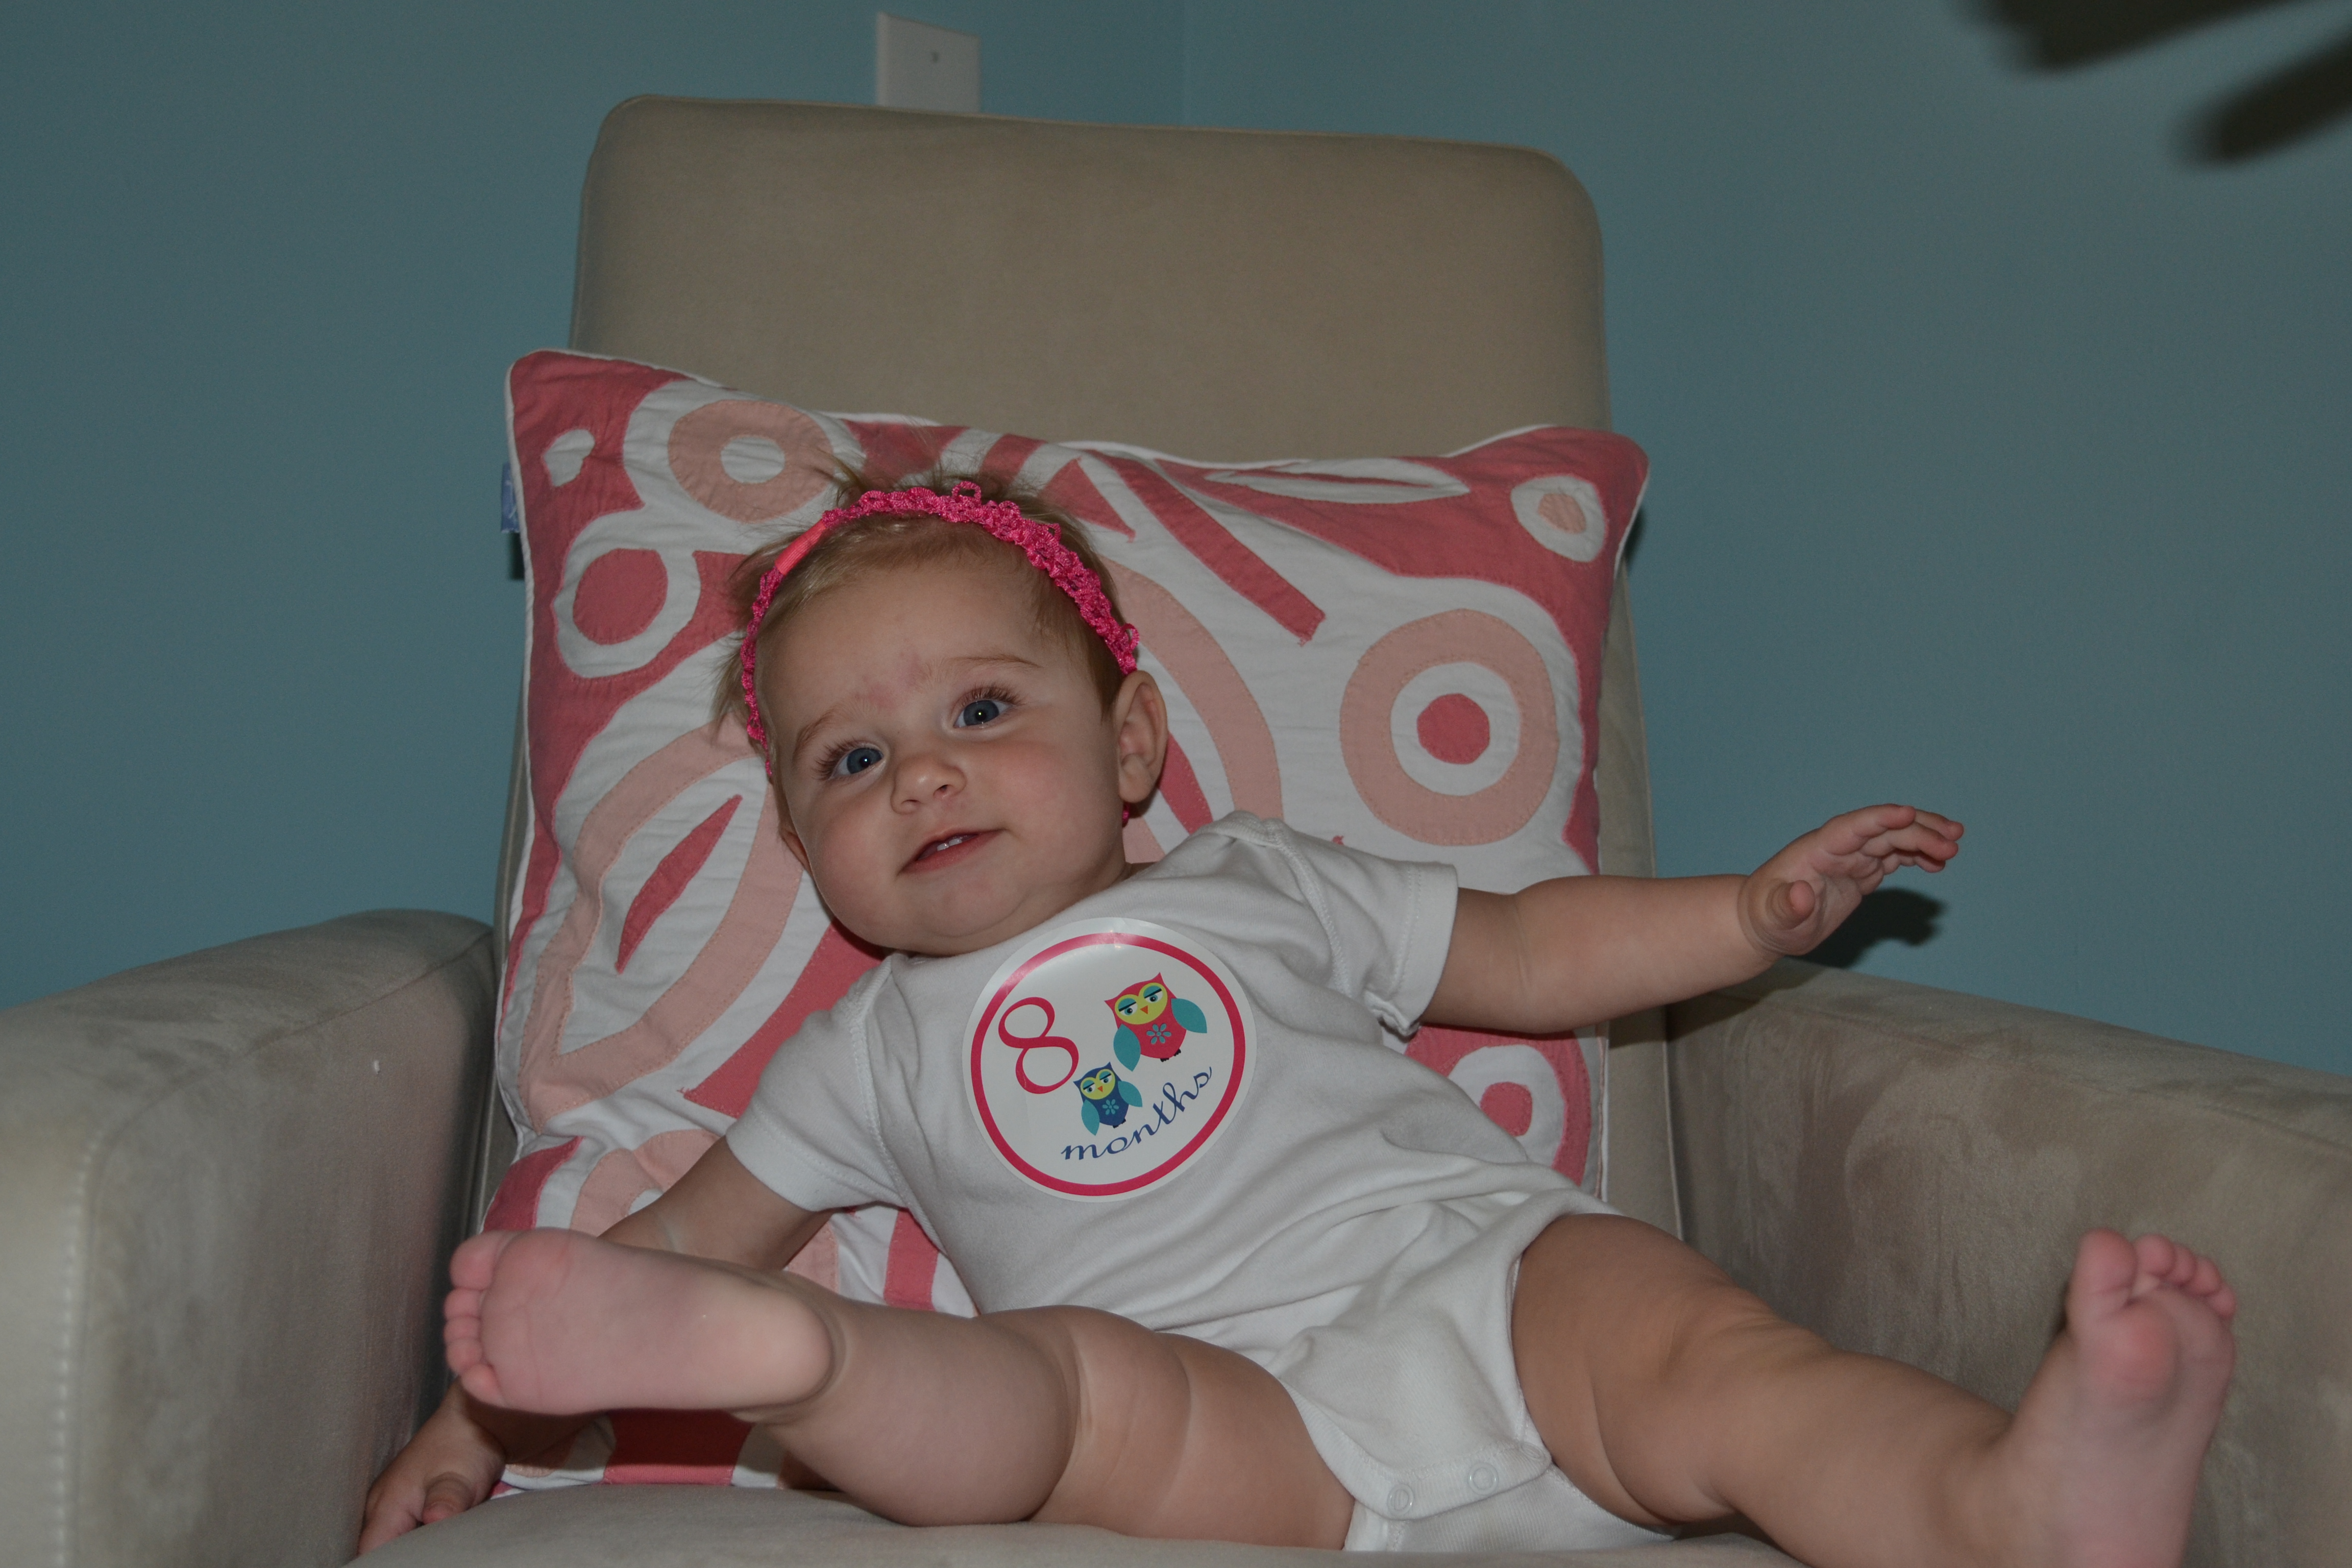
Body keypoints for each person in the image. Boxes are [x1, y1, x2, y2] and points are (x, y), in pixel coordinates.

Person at [361, 475, 2236, 1566]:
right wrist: (474, 1416)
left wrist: (1746, 917)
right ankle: (803, 1365)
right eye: (851, 759)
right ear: (801, 837)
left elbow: (1526, 948)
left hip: (1492, 1284)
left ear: (1134, 744)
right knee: (1057, 1401)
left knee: (1729, 1366)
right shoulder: (868, 1052)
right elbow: (683, 1228)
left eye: (983, 712)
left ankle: (2003, 1512)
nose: (922, 774)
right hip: (1235, 1418)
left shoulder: (1257, 881)